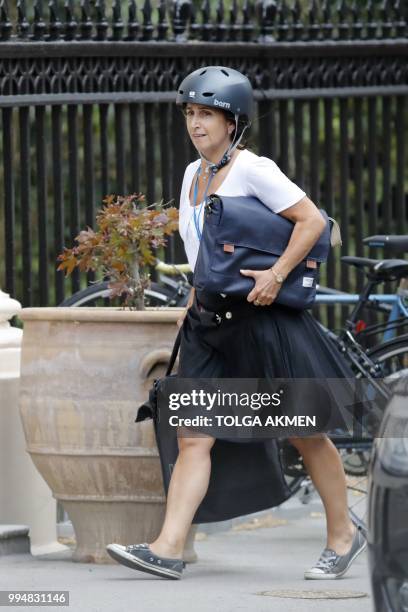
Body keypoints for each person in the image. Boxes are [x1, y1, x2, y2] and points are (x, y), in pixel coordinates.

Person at [107, 66, 367, 581]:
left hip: (263, 322)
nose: (196, 124)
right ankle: (168, 546)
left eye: (207, 114)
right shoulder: (191, 175)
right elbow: (203, 253)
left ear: (232, 122)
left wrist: (275, 273)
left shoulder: (254, 169)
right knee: (193, 435)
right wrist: (190, 303)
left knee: (305, 432)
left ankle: (344, 535)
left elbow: (312, 222)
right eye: (190, 113)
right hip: (210, 324)